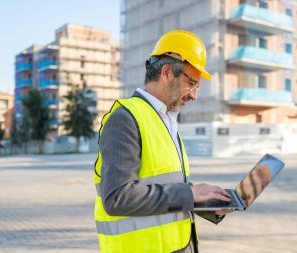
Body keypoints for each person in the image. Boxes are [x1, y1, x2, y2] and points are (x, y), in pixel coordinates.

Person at [93, 30, 232, 253]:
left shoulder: (166, 121)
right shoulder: (125, 118)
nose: (194, 95)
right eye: (192, 83)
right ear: (167, 73)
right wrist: (189, 194)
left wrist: (206, 203)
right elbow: (117, 198)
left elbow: (165, 185)